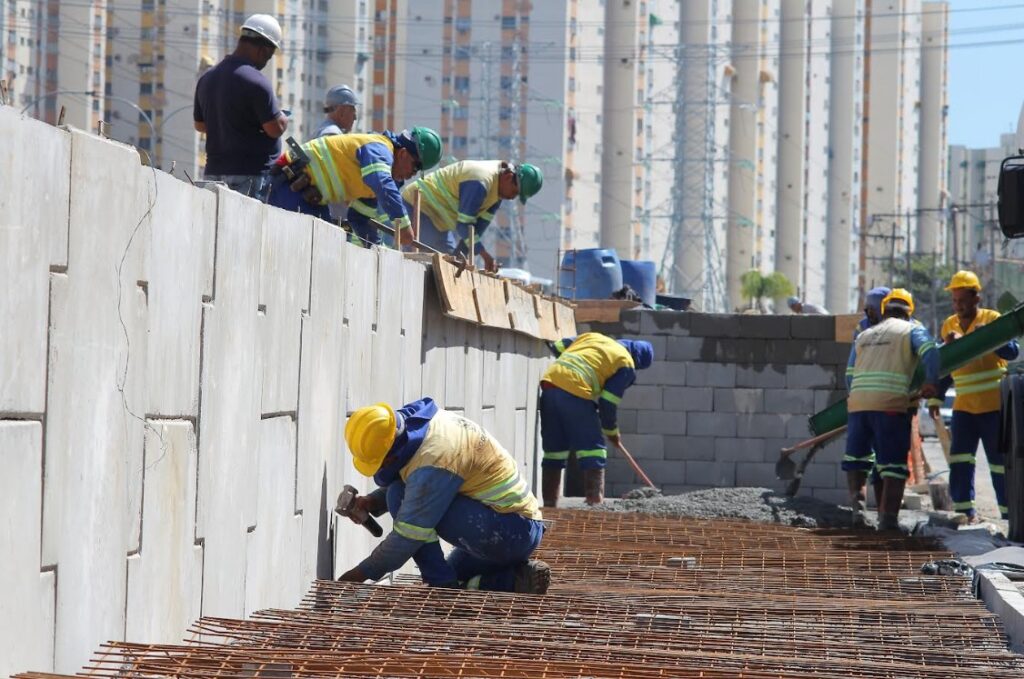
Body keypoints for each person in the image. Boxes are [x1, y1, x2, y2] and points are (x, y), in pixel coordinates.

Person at [337, 398, 550, 594]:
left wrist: (358, 575)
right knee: (453, 573)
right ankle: (514, 581)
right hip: (510, 524)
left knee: (399, 499)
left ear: (390, 454)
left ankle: (442, 589)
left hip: (511, 532)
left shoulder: (434, 460)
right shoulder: (419, 426)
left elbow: (408, 536)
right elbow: (423, 482)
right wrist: (373, 501)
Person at [845, 289, 940, 531]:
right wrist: (930, 381)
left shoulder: (864, 335)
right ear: (909, 313)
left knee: (858, 460)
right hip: (889, 405)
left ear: (884, 311)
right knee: (894, 466)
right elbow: (931, 352)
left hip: (858, 405)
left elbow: (849, 375)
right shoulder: (911, 330)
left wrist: (857, 399)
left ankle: (858, 514)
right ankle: (888, 522)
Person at [929, 270, 1019, 521]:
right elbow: (946, 366)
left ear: (976, 298)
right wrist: (936, 397)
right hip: (964, 407)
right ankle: (963, 513)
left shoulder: (992, 318)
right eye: (955, 301)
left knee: (1000, 464)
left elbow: (1012, 352)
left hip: (994, 407)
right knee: (960, 461)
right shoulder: (949, 325)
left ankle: (1010, 514)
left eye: (963, 301)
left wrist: (990, 336)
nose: (958, 306)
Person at [539, 333, 655, 507]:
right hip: (575, 392)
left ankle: (549, 505)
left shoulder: (593, 337)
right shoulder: (626, 363)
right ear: (638, 361)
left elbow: (558, 346)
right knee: (594, 449)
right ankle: (595, 504)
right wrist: (612, 432)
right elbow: (607, 403)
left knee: (555, 450)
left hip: (549, 386)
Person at [266, 127, 443, 240]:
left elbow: (360, 218)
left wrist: (376, 251)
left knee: (327, 245)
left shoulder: (375, 178)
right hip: (289, 185)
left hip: (307, 197)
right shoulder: (380, 149)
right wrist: (404, 226)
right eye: (414, 167)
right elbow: (382, 183)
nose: (411, 175)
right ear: (403, 154)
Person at [193, 14, 287, 202]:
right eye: (269, 56)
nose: (266, 61)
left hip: (214, 173)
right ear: (263, 49)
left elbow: (200, 125)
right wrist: (283, 119)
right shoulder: (257, 82)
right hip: (250, 177)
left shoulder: (207, 79)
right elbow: (274, 129)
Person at [399, 160, 543, 270]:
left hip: (440, 222)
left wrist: (459, 258)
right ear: (508, 177)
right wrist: (485, 255)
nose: (513, 197)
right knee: (423, 263)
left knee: (449, 263)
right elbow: (463, 226)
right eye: (515, 192)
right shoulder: (480, 182)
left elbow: (475, 230)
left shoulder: (497, 195)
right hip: (419, 207)